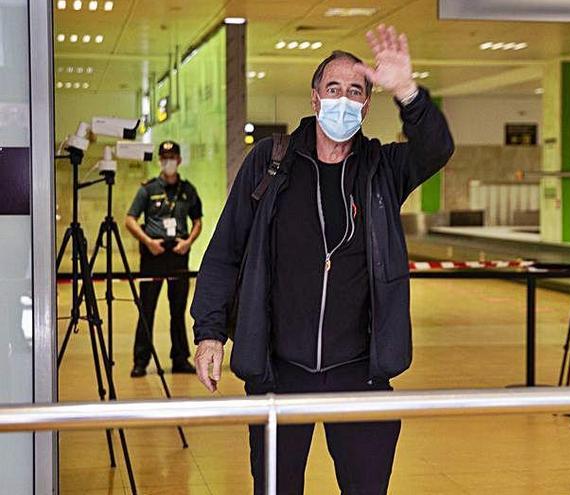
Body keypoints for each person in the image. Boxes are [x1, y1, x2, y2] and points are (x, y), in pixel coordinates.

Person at [190, 24, 454, 495]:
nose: (344, 99)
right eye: (334, 88)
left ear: (366, 106)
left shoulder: (382, 170)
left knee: (365, 486)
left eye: (356, 91)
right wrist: (210, 332)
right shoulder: (270, 163)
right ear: (315, 99)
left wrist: (408, 92)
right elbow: (225, 251)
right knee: (277, 487)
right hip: (279, 369)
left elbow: (437, 149)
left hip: (360, 370)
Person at [125, 140, 203, 377]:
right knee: (146, 308)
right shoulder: (148, 189)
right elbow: (130, 219)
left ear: (179, 160)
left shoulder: (188, 190)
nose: (168, 161)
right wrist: (147, 242)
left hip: (178, 253)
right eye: (164, 157)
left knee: (178, 309)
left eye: (172, 157)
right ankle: (140, 361)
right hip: (153, 254)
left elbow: (197, 221)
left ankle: (180, 358)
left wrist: (188, 242)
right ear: (160, 160)